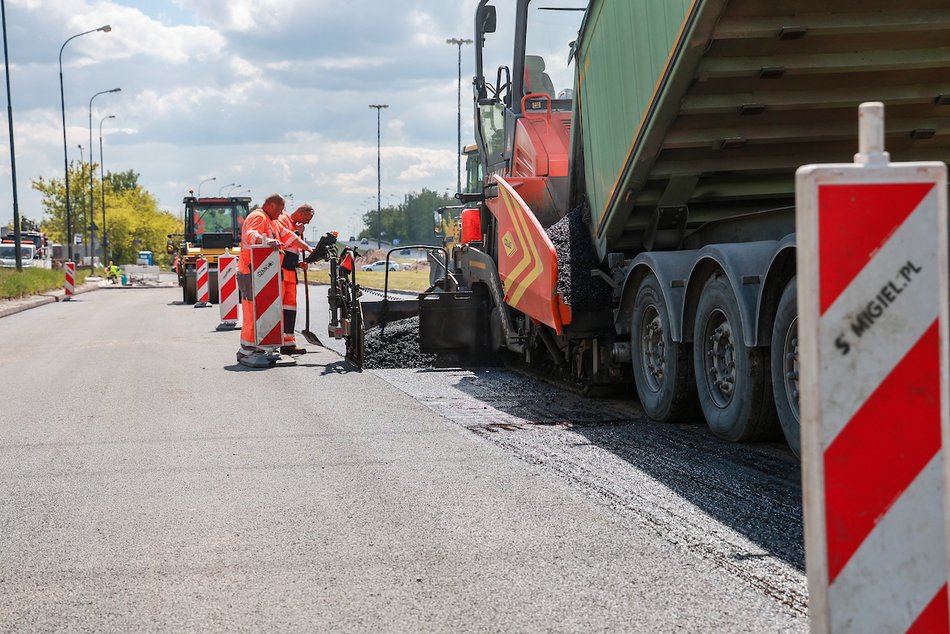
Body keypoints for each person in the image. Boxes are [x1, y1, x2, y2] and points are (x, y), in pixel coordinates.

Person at [236, 193, 312, 364]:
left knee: (262, 310)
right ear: (271, 206)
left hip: (262, 273)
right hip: (250, 271)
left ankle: (260, 346)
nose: (281, 213)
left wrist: (309, 248)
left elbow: (288, 236)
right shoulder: (258, 216)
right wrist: (268, 240)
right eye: (280, 210)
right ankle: (246, 349)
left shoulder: (273, 221)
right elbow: (250, 234)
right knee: (251, 310)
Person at [275, 203, 315, 355]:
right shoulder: (283, 220)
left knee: (290, 309)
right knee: (279, 309)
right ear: (301, 213)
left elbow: (291, 252)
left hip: (290, 273)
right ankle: (275, 341)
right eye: (308, 218)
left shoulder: (293, 225)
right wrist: (297, 233)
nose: (308, 222)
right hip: (281, 273)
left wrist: (299, 264)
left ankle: (288, 344)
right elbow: (282, 244)